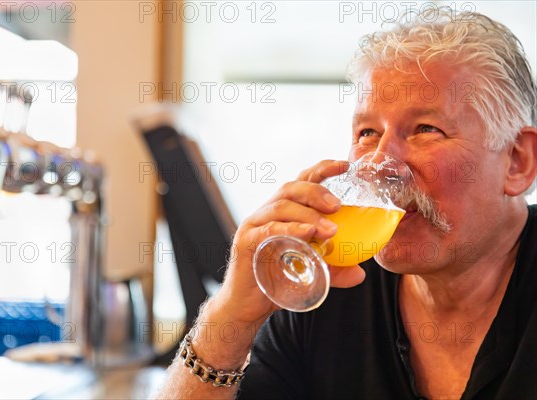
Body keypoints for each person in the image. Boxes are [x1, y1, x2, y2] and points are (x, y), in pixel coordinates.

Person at [156, 7, 537, 399]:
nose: (378, 161)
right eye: (367, 132)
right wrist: (231, 315)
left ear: (517, 161)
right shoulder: (327, 287)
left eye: (426, 129)